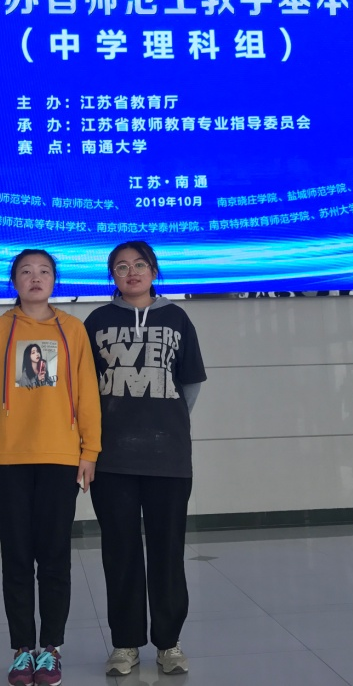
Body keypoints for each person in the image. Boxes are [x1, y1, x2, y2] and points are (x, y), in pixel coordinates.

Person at [0, 249, 102, 686]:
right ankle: (22, 649)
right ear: (14, 281)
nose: (35, 278)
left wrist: (90, 452)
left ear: (54, 280)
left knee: (55, 557)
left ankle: (52, 650)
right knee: (17, 558)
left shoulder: (73, 330)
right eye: (25, 272)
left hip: (60, 458)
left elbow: (87, 394)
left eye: (44, 271)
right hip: (8, 459)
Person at [81, 241, 207, 677]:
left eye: (139, 264)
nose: (131, 272)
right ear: (112, 276)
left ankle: (169, 643)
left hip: (168, 458)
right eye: (121, 267)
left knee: (167, 552)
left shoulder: (177, 318)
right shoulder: (96, 321)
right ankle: (125, 644)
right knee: (120, 553)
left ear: (153, 271)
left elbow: (189, 384)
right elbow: (84, 389)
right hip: (111, 459)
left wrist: (163, 420)